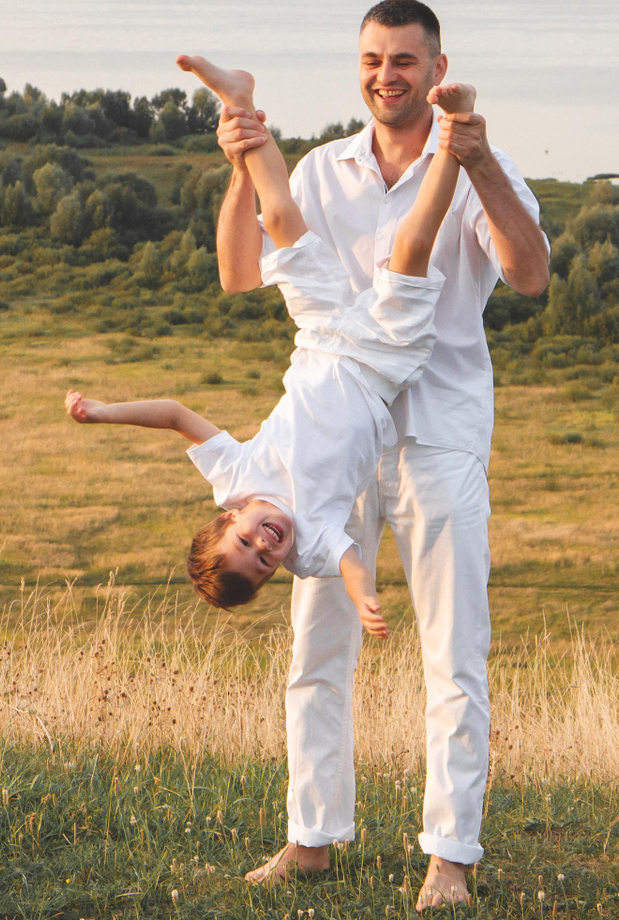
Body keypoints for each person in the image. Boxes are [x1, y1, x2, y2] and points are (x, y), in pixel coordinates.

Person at [214, 0, 549, 911]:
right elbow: (239, 271)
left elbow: (529, 275)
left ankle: (451, 856)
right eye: (372, 59)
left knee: (454, 654)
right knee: (316, 652)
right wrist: (241, 161)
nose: (385, 75)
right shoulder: (323, 169)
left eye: (403, 60)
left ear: (437, 67)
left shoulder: (477, 163)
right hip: (330, 454)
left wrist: (478, 162)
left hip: (438, 432)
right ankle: (311, 838)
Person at [65, 58, 476, 645]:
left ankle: (238, 99)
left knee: (281, 216)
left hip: (322, 334)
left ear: (229, 516)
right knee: (413, 242)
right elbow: (351, 561)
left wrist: (105, 412)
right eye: (262, 563)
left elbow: (176, 416)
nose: (264, 544)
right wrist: (364, 598)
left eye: (245, 540)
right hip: (383, 359)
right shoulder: (309, 542)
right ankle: (455, 128)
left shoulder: (235, 477)